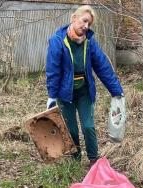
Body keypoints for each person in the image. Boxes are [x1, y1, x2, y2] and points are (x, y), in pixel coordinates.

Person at [45, 5, 124, 166]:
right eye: (84, 21)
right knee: (72, 129)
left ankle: (94, 160)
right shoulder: (58, 41)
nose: (86, 26)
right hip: (64, 93)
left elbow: (102, 66)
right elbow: (53, 70)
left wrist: (116, 91)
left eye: (89, 24)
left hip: (84, 91)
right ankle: (75, 159)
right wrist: (52, 95)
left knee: (88, 126)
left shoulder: (89, 42)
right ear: (74, 18)